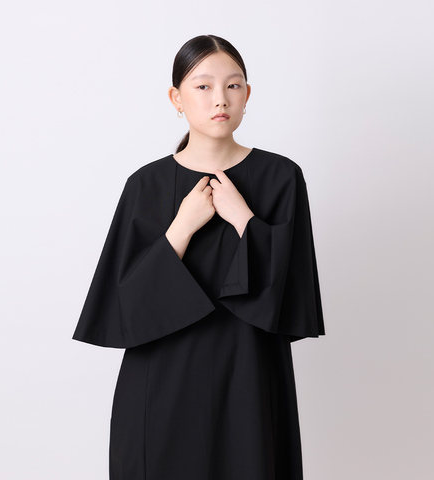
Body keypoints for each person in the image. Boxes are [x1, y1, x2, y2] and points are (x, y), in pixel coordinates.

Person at [73, 34, 325, 480]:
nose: (220, 99)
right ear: (177, 98)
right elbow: (124, 305)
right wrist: (182, 227)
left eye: (233, 85)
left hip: (249, 375)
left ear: (247, 94)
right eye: (203, 86)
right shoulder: (145, 185)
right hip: (161, 383)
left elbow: (292, 294)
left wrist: (244, 219)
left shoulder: (281, 177)